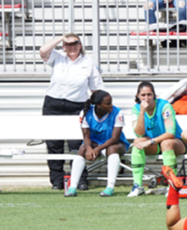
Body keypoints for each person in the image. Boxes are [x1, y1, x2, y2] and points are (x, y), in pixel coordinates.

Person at [40, 33, 103, 190]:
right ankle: (56, 180)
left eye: (75, 43)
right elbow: (42, 51)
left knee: (78, 144)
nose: (72, 46)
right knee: (54, 143)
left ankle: (80, 179)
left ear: (80, 45)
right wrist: (62, 37)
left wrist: (98, 108)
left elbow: (96, 88)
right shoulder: (57, 57)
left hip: (77, 105)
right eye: (68, 44)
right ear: (63, 46)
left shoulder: (88, 63)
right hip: (53, 104)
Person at [127, 81, 184, 198]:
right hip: (154, 144)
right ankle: (138, 186)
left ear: (154, 95)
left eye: (149, 94)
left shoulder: (165, 106)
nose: (146, 98)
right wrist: (142, 112)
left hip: (175, 143)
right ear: (138, 96)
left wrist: (150, 141)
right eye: (143, 95)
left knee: (166, 143)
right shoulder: (136, 109)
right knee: (137, 142)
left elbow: (170, 133)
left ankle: (173, 185)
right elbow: (139, 133)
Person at [64, 90, 126, 198]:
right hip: (95, 144)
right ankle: (72, 188)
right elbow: (86, 136)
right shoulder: (85, 113)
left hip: (116, 145)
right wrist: (89, 148)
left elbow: (115, 138)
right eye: (108, 103)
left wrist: (97, 149)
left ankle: (110, 187)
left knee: (112, 149)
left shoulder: (117, 112)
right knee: (82, 149)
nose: (111, 105)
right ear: (98, 105)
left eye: (111, 102)